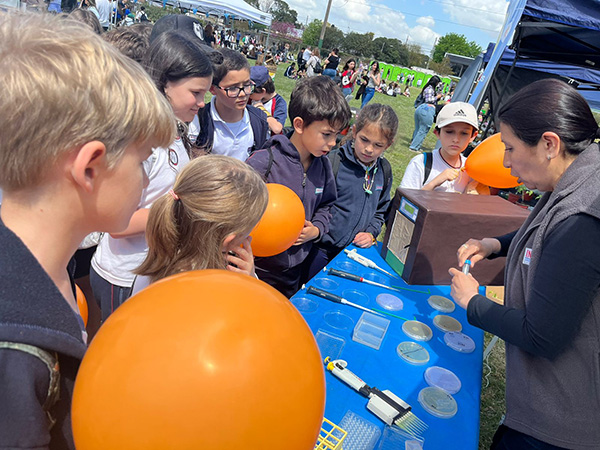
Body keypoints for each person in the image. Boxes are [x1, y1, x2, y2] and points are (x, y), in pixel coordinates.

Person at [0, 13, 175, 449]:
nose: (146, 177)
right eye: (143, 160)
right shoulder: (13, 356)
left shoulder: (45, 271)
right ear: (91, 167)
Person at [449, 78, 600, 450]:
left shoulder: (582, 218)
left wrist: (474, 303)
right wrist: (495, 244)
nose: (505, 162)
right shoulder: (575, 175)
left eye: (511, 148)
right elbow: (541, 234)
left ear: (549, 144)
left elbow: (542, 335)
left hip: (558, 422)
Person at [90, 31, 213, 321]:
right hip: (123, 276)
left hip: (149, 271)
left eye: (205, 93)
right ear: (165, 84)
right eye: (195, 93)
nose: (202, 103)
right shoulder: (141, 142)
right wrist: (179, 208)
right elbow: (116, 224)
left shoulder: (174, 131)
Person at [246, 76, 351, 297]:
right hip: (256, 270)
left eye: (337, 135)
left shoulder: (323, 166)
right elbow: (237, 212)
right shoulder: (263, 163)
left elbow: (327, 205)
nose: (333, 144)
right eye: (326, 134)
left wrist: (317, 230)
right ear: (299, 125)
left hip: (295, 270)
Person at [132, 155, 268, 292]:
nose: (249, 238)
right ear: (229, 238)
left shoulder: (160, 264)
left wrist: (249, 277)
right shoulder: (214, 289)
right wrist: (249, 286)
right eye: (246, 232)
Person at [303, 104, 398, 279]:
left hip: (354, 254)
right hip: (320, 251)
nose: (369, 149)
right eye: (364, 140)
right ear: (354, 132)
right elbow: (313, 204)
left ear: (388, 145)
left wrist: (371, 232)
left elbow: (381, 209)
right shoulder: (331, 162)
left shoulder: (384, 170)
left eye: (378, 145)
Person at [195, 48, 268, 159]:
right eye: (233, 88)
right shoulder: (200, 120)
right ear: (213, 89)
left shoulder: (258, 121)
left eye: (247, 85)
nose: (243, 93)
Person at [400, 102, 478, 193]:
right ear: (437, 133)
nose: (456, 139)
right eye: (449, 131)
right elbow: (405, 201)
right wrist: (434, 183)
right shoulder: (421, 163)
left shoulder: (471, 170)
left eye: (464, 133)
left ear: (473, 136)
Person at [249, 65, 287, 136]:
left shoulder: (279, 103)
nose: (247, 93)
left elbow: (277, 129)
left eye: (250, 90)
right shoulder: (250, 98)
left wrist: (260, 108)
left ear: (263, 91)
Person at [409, 75, 442, 152]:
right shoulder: (429, 89)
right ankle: (414, 147)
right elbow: (429, 100)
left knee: (418, 129)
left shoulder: (428, 88)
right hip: (427, 110)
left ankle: (414, 143)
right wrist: (437, 97)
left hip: (421, 109)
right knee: (423, 130)